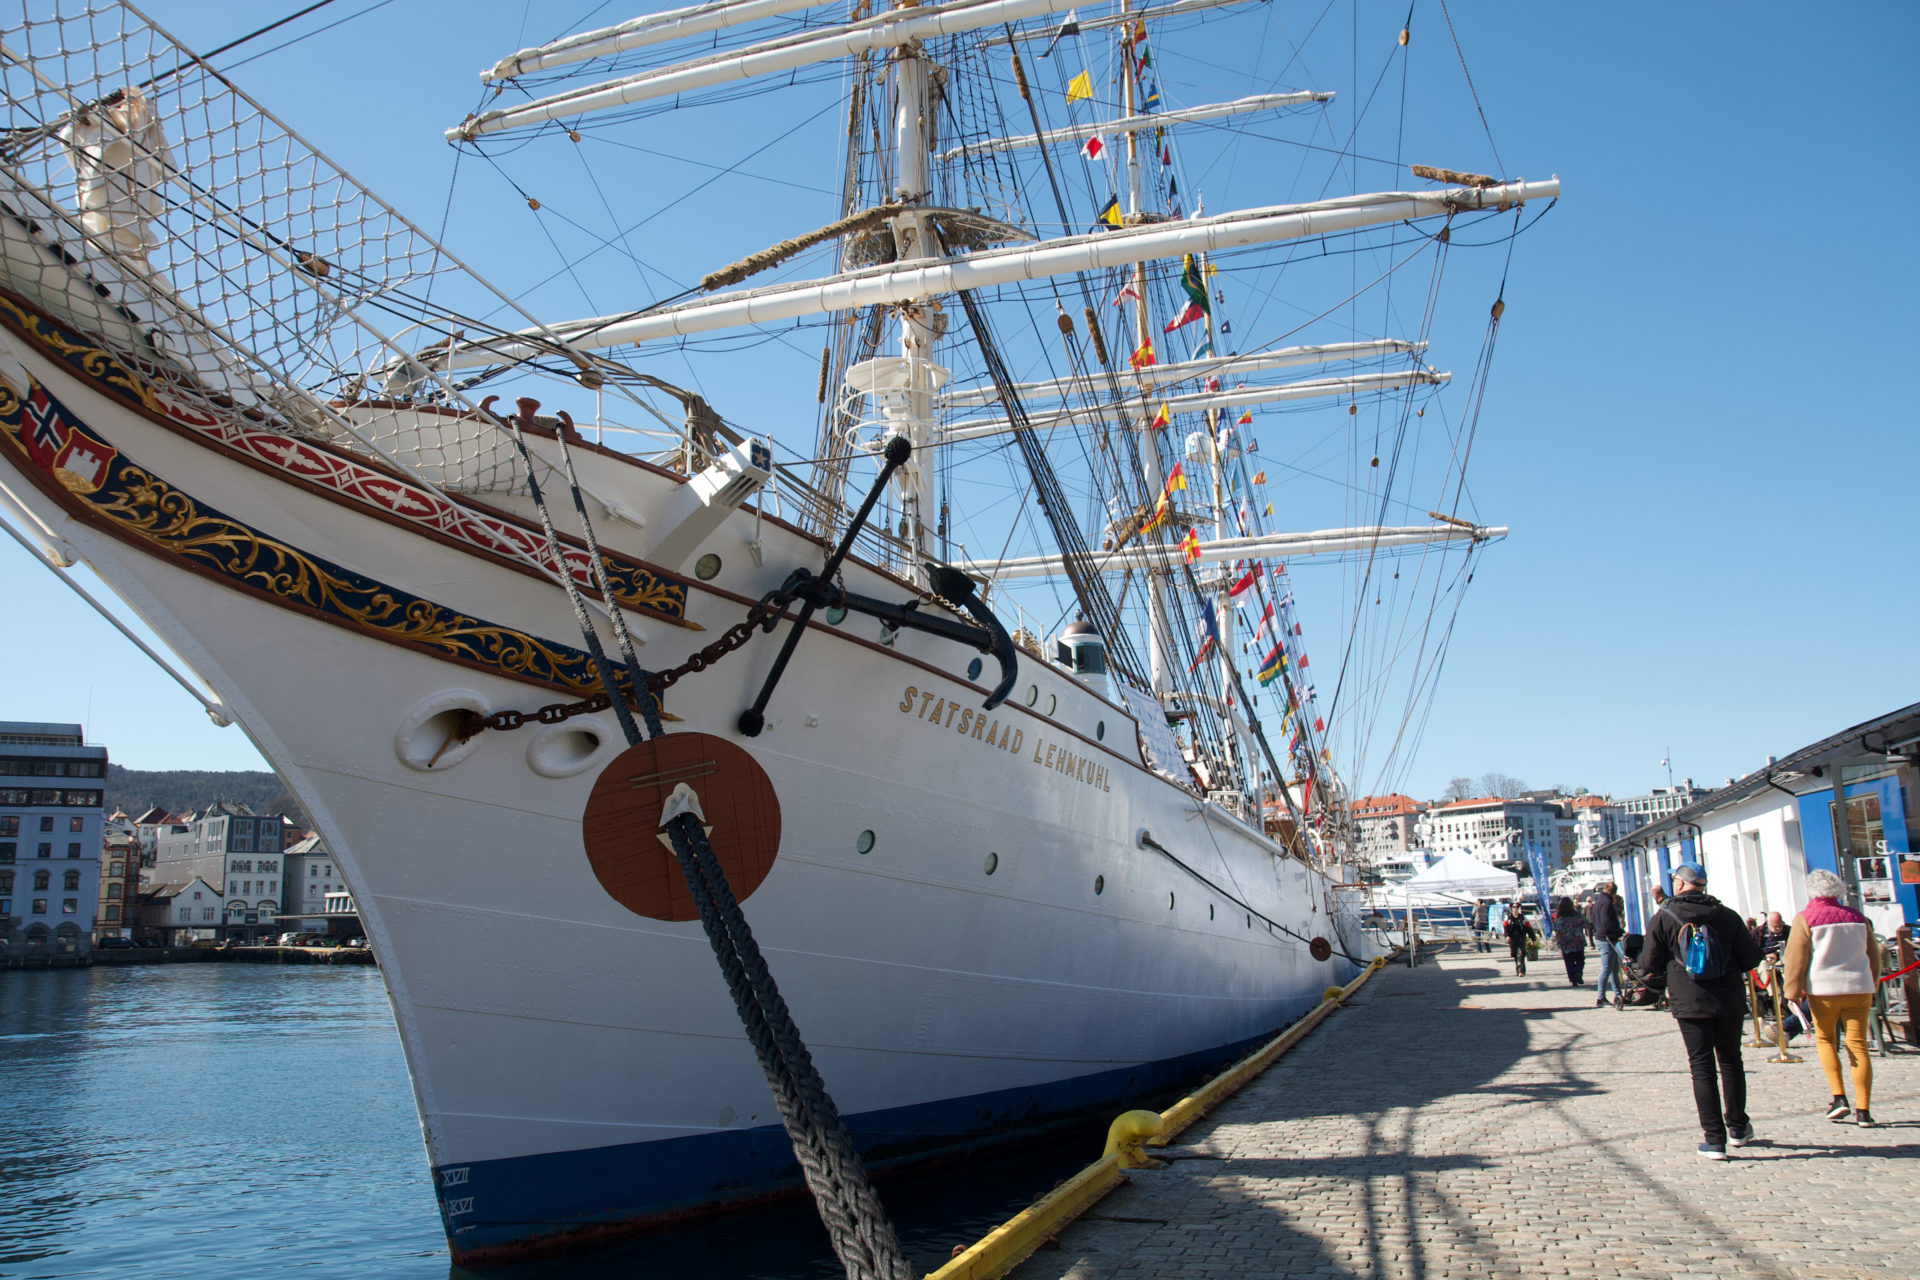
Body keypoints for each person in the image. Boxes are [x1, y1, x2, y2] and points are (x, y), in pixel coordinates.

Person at [1635, 863, 1763, 1160]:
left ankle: (1714, 1139)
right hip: (1728, 999)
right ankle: (1738, 1128)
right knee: (1731, 1062)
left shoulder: (1664, 917)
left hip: (1689, 1000)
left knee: (1702, 1067)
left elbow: (1649, 964)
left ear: (1680, 884)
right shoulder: (1727, 916)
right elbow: (1750, 958)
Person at [1782, 869, 1881, 1126]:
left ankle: (1839, 1097)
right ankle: (1864, 1110)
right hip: (1859, 988)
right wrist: (1873, 982)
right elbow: (1874, 954)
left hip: (1824, 990)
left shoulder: (1806, 919)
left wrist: (1791, 992)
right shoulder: (1858, 917)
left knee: (1826, 1040)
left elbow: (1795, 959)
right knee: (1858, 1045)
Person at [1589, 881, 1626, 1007]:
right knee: (1607, 968)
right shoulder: (1607, 902)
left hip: (1601, 936)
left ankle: (1617, 993)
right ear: (1614, 892)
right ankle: (1601, 997)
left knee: (1614, 968)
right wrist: (1619, 931)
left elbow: (1594, 919)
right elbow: (1607, 920)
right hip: (1607, 938)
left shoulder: (1598, 901)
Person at [1552, 896, 1587, 987]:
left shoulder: (1560, 916)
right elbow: (1585, 922)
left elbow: (1557, 928)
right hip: (1577, 940)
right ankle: (1578, 972)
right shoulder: (1576, 914)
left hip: (1566, 942)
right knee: (1580, 959)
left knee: (1569, 961)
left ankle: (1573, 978)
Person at [1502, 903, 1537, 977]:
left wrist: (1533, 938)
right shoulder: (1508, 918)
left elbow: (1529, 929)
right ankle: (1518, 970)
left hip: (1521, 937)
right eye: (1514, 907)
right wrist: (1507, 936)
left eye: (1517, 907)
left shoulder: (1523, 918)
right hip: (1512, 938)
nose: (1515, 908)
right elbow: (1505, 928)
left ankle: (1521, 971)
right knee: (1515, 954)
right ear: (1511, 908)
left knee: (1521, 954)